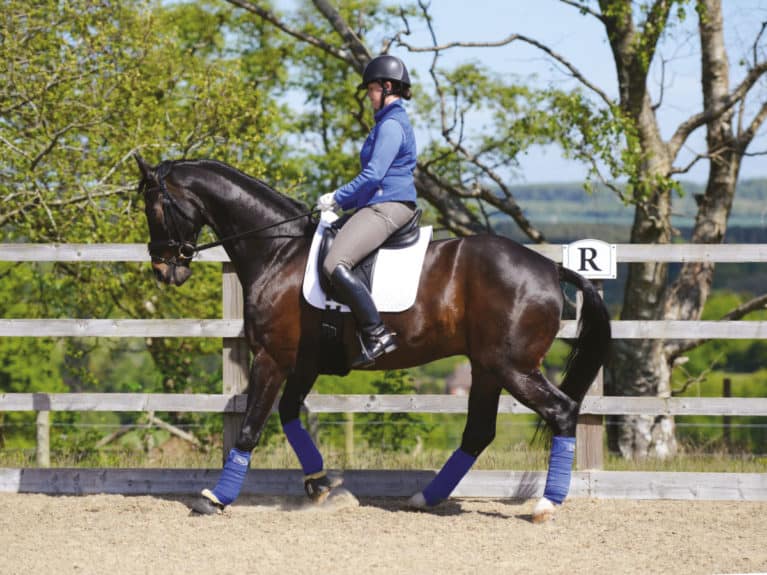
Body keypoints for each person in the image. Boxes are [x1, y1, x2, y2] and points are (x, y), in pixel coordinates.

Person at [317, 54, 417, 368]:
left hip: (388, 205)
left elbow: (373, 175)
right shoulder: (388, 122)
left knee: (334, 263)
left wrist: (337, 197)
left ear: (388, 87)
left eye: (372, 89)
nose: (370, 96)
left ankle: (377, 333)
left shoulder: (390, 125)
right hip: (378, 203)